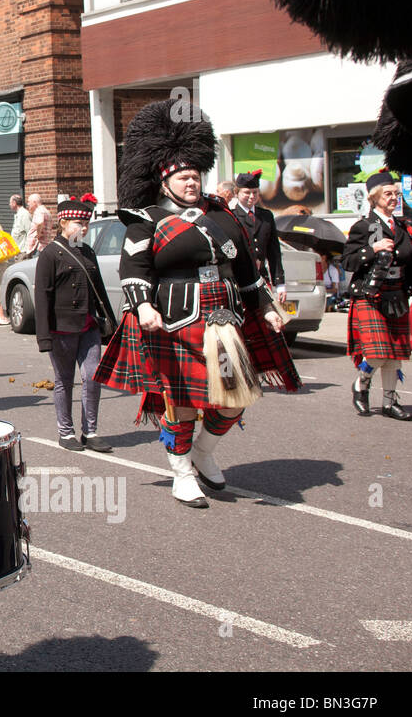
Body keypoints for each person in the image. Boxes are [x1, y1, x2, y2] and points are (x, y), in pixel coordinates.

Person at [95, 99, 299, 508]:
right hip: (175, 322)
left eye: (196, 175)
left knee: (233, 397)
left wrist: (269, 309)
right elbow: (133, 270)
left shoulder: (222, 215)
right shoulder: (145, 218)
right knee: (183, 403)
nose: (192, 182)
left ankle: (203, 452)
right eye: (183, 177)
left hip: (225, 319)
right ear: (164, 180)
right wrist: (143, 306)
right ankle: (181, 472)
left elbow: (246, 271)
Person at [35, 195, 116, 452]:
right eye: (78, 223)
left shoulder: (88, 251)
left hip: (89, 324)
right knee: (64, 380)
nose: (83, 228)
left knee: (93, 376)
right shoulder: (50, 253)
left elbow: (99, 289)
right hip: (62, 327)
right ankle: (66, 432)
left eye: (86, 223)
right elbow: (42, 296)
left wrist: (112, 323)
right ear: (63, 223)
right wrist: (43, 336)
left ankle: (90, 431)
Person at [343, 169, 412, 420]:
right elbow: (348, 262)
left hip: (397, 294)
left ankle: (390, 402)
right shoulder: (364, 227)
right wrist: (372, 248)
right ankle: (361, 385)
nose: (393, 198)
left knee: (395, 356)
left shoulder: (403, 228)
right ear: (374, 197)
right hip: (370, 294)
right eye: (388, 194)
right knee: (377, 353)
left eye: (396, 194)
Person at [230, 170, 286, 303]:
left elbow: (274, 252)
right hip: (239, 280)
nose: (251, 196)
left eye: (255, 192)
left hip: (262, 278)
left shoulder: (266, 216)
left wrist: (280, 284)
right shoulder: (231, 216)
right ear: (236, 193)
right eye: (247, 193)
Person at [9, 194, 32, 260]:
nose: (9, 204)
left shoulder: (24, 214)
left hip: (23, 252)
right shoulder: (19, 214)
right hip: (18, 251)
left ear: (14, 203)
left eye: (10, 202)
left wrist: (28, 251)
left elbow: (29, 232)